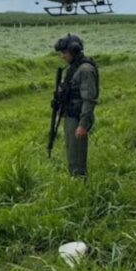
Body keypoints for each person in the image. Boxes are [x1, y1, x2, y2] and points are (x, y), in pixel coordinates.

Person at [53, 34, 99, 178]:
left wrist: (83, 125)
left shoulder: (85, 70)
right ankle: (75, 180)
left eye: (64, 52)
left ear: (73, 50)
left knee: (77, 157)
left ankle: (80, 183)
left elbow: (89, 99)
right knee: (71, 153)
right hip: (70, 116)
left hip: (78, 118)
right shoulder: (73, 68)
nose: (62, 56)